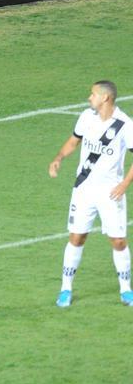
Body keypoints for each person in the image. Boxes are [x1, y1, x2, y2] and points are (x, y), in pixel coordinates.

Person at [48, 80, 133, 307]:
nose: (89, 98)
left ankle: (126, 290)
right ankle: (66, 288)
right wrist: (58, 158)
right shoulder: (86, 117)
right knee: (77, 237)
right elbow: (74, 141)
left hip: (110, 193)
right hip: (84, 189)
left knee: (118, 241)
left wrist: (124, 184)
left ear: (105, 98)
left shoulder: (125, 124)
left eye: (93, 94)